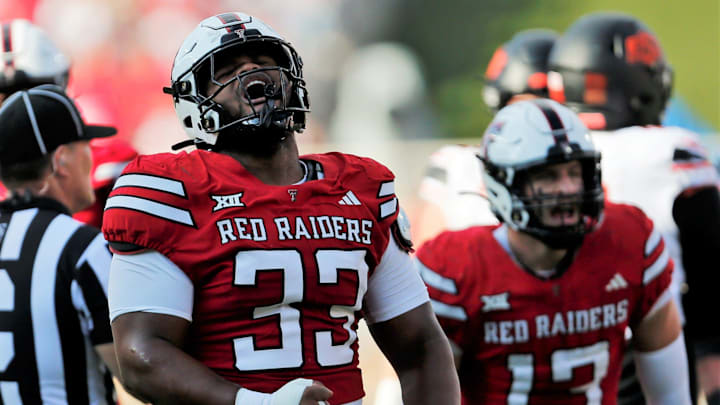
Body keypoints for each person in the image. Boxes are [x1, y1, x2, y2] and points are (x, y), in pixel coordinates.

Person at [102, 11, 459, 405]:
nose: (252, 71)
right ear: (195, 100)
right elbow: (141, 356)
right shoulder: (172, 193)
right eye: (228, 69)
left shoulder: (360, 189)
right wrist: (259, 404)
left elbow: (420, 346)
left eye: (265, 61)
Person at [416, 98, 692, 404]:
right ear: (504, 183)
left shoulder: (628, 241)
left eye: (575, 173)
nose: (567, 189)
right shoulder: (457, 268)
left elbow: (671, 395)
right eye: (548, 176)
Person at [547, 12, 720, 404]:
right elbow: (710, 275)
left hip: (550, 347)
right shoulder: (668, 150)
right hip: (644, 353)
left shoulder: (533, 159)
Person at [0, 84, 118, 404]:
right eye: (87, 144)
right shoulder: (81, 246)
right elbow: (137, 372)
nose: (92, 157)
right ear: (61, 159)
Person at [415, 29, 557, 243]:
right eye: (528, 106)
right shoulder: (459, 165)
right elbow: (423, 252)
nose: (538, 120)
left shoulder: (578, 172)